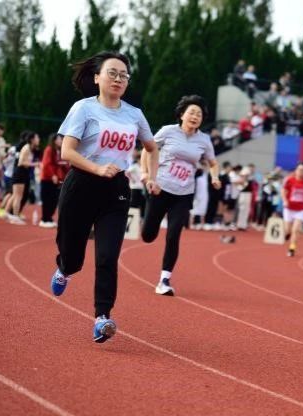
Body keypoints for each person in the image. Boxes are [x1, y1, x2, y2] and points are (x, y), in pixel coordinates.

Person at [49, 51, 158, 343]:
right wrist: (97, 168)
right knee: (73, 255)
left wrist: (151, 176)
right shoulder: (83, 109)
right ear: (97, 77)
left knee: (108, 256)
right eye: (112, 73)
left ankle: (102, 317)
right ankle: (64, 269)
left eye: (124, 75)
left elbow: (152, 147)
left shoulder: (134, 114)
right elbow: (67, 151)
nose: (118, 79)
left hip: (115, 190)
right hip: (81, 184)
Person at [140, 95, 221, 296]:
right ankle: (149, 229)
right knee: (148, 235)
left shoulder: (204, 140)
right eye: (191, 112)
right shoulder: (168, 131)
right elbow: (148, 149)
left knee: (174, 234)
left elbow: (213, 163)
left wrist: (215, 177)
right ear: (182, 114)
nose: (195, 117)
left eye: (199, 114)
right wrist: (146, 174)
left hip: (184, 193)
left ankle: (164, 280)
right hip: (160, 188)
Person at [6, 131, 40, 225]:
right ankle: (15, 216)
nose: (39, 140)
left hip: (22, 172)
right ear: (32, 139)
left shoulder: (30, 148)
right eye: (37, 138)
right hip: (20, 172)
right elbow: (21, 162)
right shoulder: (26, 148)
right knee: (18, 196)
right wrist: (34, 164)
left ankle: (7, 213)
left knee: (15, 195)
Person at [281, 162, 303, 257]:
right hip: (289, 208)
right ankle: (287, 234)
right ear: (296, 170)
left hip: (301, 209)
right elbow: (283, 191)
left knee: (296, 230)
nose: (301, 172)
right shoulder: (290, 180)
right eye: (299, 169)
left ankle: (292, 248)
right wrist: (285, 200)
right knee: (287, 230)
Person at [39, 134, 68, 227]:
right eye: (59, 139)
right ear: (54, 140)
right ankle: (44, 219)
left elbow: (61, 163)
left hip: (56, 179)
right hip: (47, 179)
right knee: (47, 199)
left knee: (54, 200)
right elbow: (46, 164)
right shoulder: (49, 149)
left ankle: (49, 218)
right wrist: (52, 175)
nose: (61, 141)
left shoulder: (58, 151)